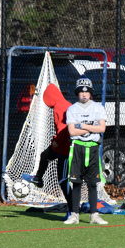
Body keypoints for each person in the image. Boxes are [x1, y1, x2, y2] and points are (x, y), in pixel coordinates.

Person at [22, 83, 73, 219]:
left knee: (63, 180)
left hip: (66, 148)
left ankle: (72, 210)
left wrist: (57, 141)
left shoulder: (60, 107)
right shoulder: (64, 104)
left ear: (50, 97)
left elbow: (64, 129)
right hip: (62, 145)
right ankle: (38, 178)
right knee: (45, 155)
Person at [64, 77, 108, 225]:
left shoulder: (98, 108)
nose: (84, 94)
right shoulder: (72, 109)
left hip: (93, 148)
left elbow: (101, 128)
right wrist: (90, 128)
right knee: (76, 183)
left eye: (87, 91)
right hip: (77, 148)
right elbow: (72, 131)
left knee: (93, 183)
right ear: (77, 93)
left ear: (90, 93)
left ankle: (94, 215)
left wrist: (83, 126)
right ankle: (74, 215)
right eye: (81, 92)